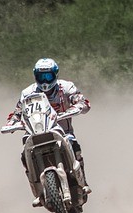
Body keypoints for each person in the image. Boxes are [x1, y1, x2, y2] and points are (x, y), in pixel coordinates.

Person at [6, 57, 91, 193]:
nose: (45, 81)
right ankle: (38, 190)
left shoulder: (66, 87)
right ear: (35, 76)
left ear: (55, 75)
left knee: (74, 146)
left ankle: (82, 182)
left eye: (48, 76)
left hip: (62, 131)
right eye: (41, 76)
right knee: (24, 155)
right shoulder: (27, 93)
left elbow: (81, 101)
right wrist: (12, 122)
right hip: (35, 133)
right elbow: (18, 111)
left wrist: (77, 107)